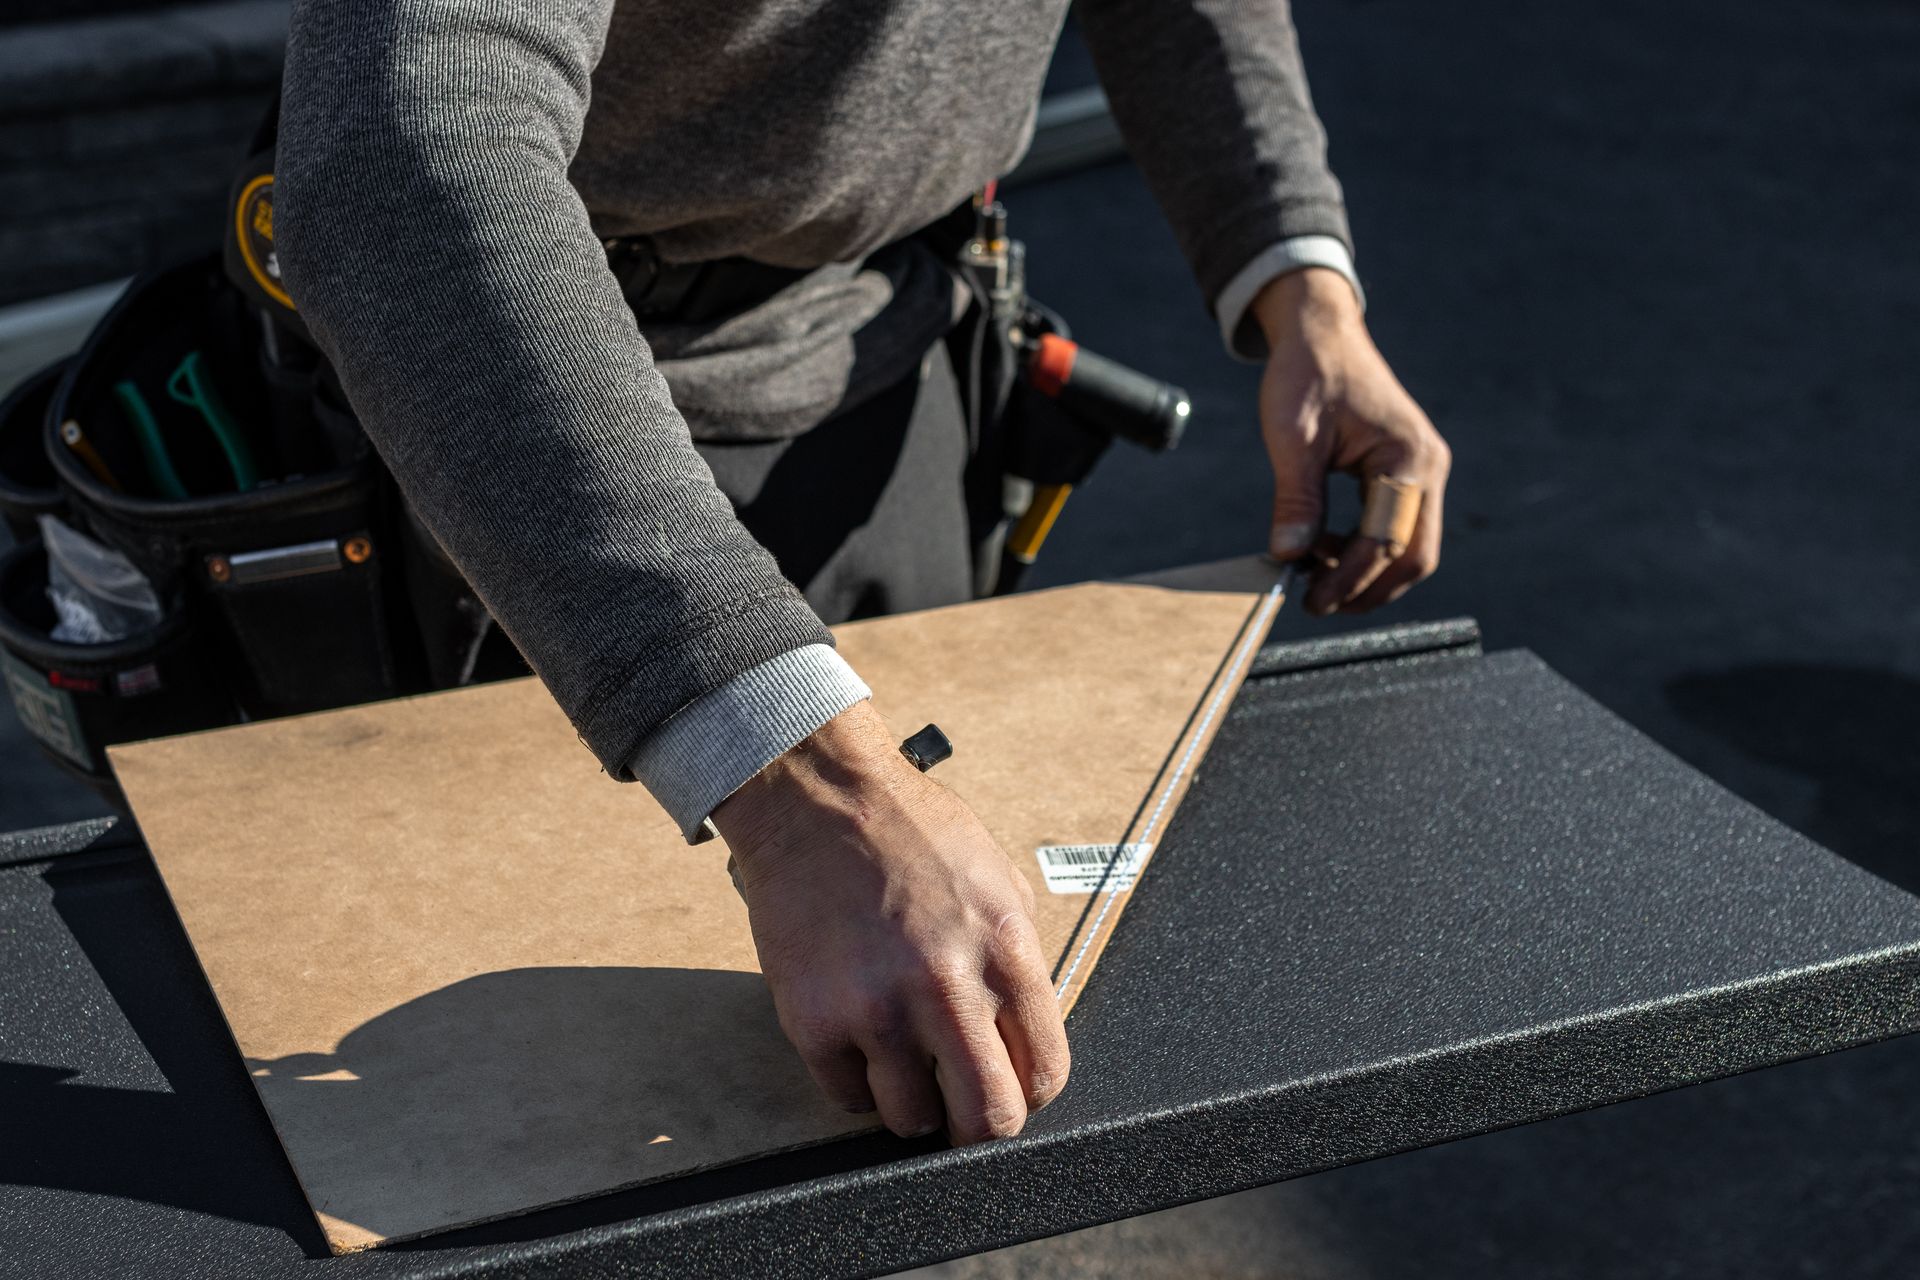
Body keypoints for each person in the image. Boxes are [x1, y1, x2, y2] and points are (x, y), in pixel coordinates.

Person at [274, 0, 1451, 1148]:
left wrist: (1300, 279)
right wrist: (806, 790)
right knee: (517, 1166)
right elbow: (403, 153)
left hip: (895, 360)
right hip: (527, 449)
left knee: (900, 1095)